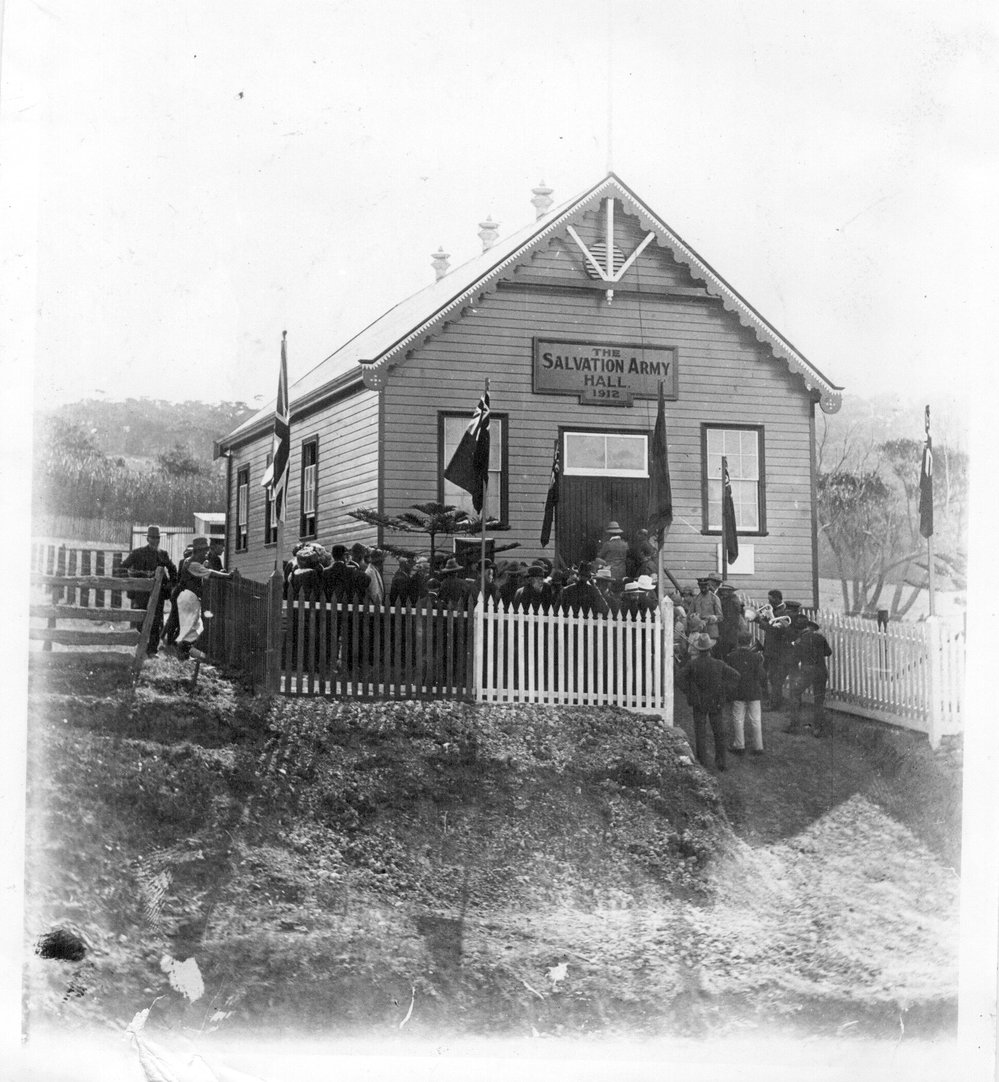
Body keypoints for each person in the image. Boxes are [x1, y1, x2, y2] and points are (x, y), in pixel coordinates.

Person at [676, 632, 740, 772]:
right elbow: (736, 676)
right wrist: (724, 691)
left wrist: (689, 691)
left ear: (698, 649)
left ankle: (702, 761)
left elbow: (679, 678)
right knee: (719, 732)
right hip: (716, 701)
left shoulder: (693, 664)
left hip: (699, 702)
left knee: (700, 732)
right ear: (710, 649)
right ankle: (721, 762)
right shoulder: (719, 664)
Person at [118, 525, 178, 656]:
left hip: (158, 594)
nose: (155, 540)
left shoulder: (163, 554)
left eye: (157, 538)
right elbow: (122, 568)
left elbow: (173, 570)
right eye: (153, 538)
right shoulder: (137, 553)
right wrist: (134, 579)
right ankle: (141, 648)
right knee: (141, 620)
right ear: (147, 539)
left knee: (157, 622)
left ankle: (152, 650)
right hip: (141, 594)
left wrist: (170, 585)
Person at [174, 536, 231, 660]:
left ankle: (185, 654)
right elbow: (210, 573)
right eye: (204, 551)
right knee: (192, 628)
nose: (206, 554)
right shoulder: (193, 565)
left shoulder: (188, 561)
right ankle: (183, 653)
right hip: (189, 599)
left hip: (186, 597)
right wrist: (227, 575)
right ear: (198, 551)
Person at [786, 619, 833, 736]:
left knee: (795, 693)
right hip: (821, 671)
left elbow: (794, 660)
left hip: (807, 672)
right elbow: (828, 652)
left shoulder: (799, 641)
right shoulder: (820, 637)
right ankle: (817, 729)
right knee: (819, 700)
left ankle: (794, 726)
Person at [726, 630, 767, 755]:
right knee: (756, 720)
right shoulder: (757, 657)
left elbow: (729, 675)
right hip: (754, 691)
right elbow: (762, 675)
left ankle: (739, 745)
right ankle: (758, 746)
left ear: (738, 642)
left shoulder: (731, 656)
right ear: (749, 642)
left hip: (738, 691)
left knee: (738, 719)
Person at [688, 577, 722, 647]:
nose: (703, 588)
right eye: (701, 586)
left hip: (711, 632)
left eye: (705, 586)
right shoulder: (696, 599)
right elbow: (689, 615)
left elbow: (720, 617)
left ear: (709, 586)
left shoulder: (714, 598)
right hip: (699, 631)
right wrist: (695, 618)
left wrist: (711, 618)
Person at [714, 582, 745, 659]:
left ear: (730, 592)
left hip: (728, 633)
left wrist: (721, 632)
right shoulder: (731, 600)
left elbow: (729, 620)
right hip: (731, 632)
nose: (723, 593)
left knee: (727, 654)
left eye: (726, 591)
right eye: (723, 591)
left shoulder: (731, 602)